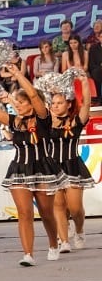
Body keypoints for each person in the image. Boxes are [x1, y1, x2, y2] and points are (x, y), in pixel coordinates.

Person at [0, 65, 64, 266]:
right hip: (19, 169)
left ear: (32, 105)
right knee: (24, 213)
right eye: (16, 102)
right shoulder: (14, 121)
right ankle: (28, 254)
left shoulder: (43, 118)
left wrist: (17, 74)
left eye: (21, 102)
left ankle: (53, 244)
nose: (17, 105)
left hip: (42, 168)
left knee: (46, 213)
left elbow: (33, 94)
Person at [47, 75, 93, 257]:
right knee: (58, 205)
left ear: (68, 104)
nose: (55, 105)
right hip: (53, 167)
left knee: (74, 208)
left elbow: (87, 105)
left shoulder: (75, 122)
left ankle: (79, 230)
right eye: (53, 103)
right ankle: (64, 241)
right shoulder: (47, 122)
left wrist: (84, 84)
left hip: (73, 165)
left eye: (59, 103)